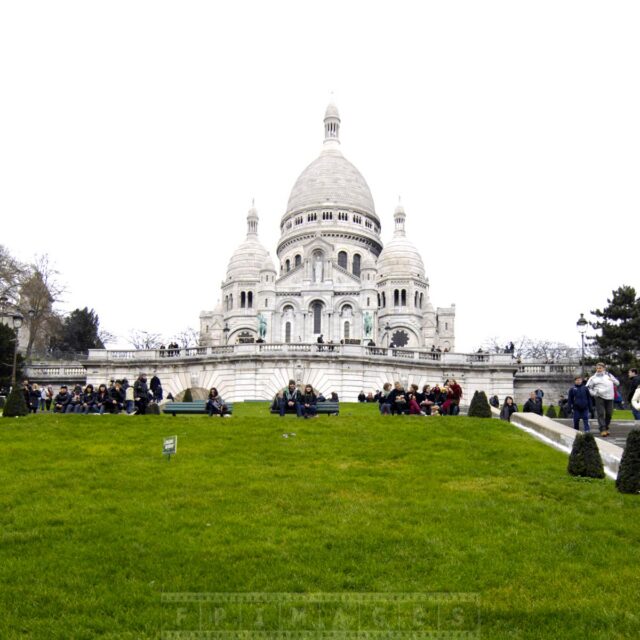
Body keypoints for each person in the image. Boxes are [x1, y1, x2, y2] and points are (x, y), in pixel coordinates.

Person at [586, 363, 619, 437]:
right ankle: (603, 429)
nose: (598, 370)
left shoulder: (609, 375)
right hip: (599, 397)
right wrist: (594, 393)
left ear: (604, 368)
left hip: (610, 397)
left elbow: (617, 383)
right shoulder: (593, 378)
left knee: (609, 414)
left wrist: (613, 380)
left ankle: (606, 427)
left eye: (600, 368)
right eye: (597, 368)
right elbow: (588, 388)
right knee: (600, 413)